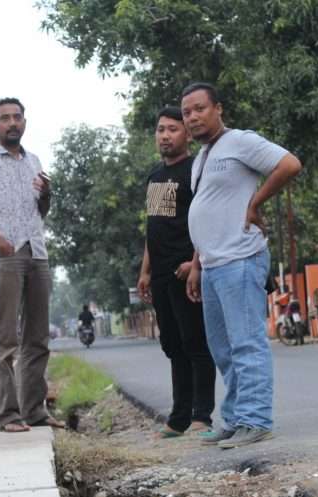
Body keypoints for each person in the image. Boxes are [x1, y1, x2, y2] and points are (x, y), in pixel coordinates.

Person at [180, 82, 302, 450]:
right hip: (213, 263)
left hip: (241, 258)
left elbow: (289, 164)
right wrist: (198, 263)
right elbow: (207, 209)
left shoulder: (240, 141)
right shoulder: (201, 157)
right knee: (223, 349)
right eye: (187, 112)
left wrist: (256, 202)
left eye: (199, 108)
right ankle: (234, 419)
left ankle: (256, 419)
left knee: (246, 343)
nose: (193, 117)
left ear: (218, 109)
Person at [0, 98, 64, 432]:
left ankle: (35, 410)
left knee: (37, 338)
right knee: (6, 339)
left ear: (25, 122)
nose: (12, 123)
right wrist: (0, 242)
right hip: (5, 257)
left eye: (17, 117)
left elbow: (41, 210)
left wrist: (47, 193)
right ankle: (8, 415)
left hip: (37, 254)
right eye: (5, 118)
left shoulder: (34, 160)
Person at [136, 106, 216, 438]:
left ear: (185, 134)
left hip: (187, 270)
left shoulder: (196, 170)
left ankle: (202, 415)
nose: (165, 135)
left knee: (195, 341)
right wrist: (145, 271)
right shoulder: (155, 176)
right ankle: (179, 417)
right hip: (160, 274)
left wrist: (195, 262)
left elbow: (205, 219)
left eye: (173, 129)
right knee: (171, 345)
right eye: (160, 130)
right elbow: (153, 229)